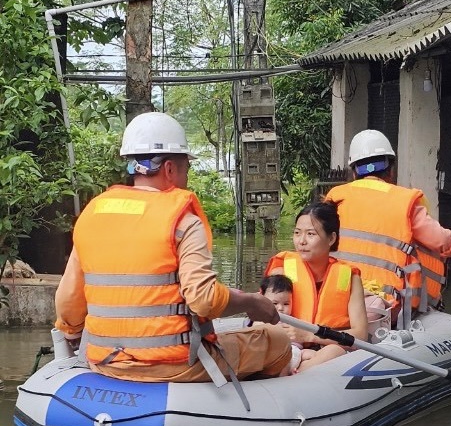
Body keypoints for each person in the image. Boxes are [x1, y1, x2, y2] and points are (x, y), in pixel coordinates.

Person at [54, 111, 291, 384]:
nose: (186, 178)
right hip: (173, 365)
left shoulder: (92, 216)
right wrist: (251, 301)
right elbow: (204, 300)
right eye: (186, 170)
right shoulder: (184, 222)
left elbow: (68, 303)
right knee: (277, 340)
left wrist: (71, 334)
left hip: (106, 363)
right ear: (169, 169)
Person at [325, 129, 451, 326]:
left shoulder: (334, 198)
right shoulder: (405, 202)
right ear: (391, 169)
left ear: (354, 171)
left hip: (338, 295)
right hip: (387, 305)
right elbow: (442, 240)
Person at [265, 201, 368, 372]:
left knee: (333, 351)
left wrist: (309, 335)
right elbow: (265, 318)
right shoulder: (281, 270)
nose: (301, 241)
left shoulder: (350, 277)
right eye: (297, 233)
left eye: (310, 234)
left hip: (325, 350)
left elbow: (361, 334)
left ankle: (298, 374)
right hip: (287, 346)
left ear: (331, 238)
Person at [258, 274, 316, 374]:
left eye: (286, 304)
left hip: (298, 353)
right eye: (275, 303)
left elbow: (306, 337)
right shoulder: (262, 319)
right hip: (278, 355)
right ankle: (282, 379)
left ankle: (298, 372)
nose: (280, 308)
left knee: (314, 354)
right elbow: (257, 330)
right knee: (283, 360)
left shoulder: (294, 321)